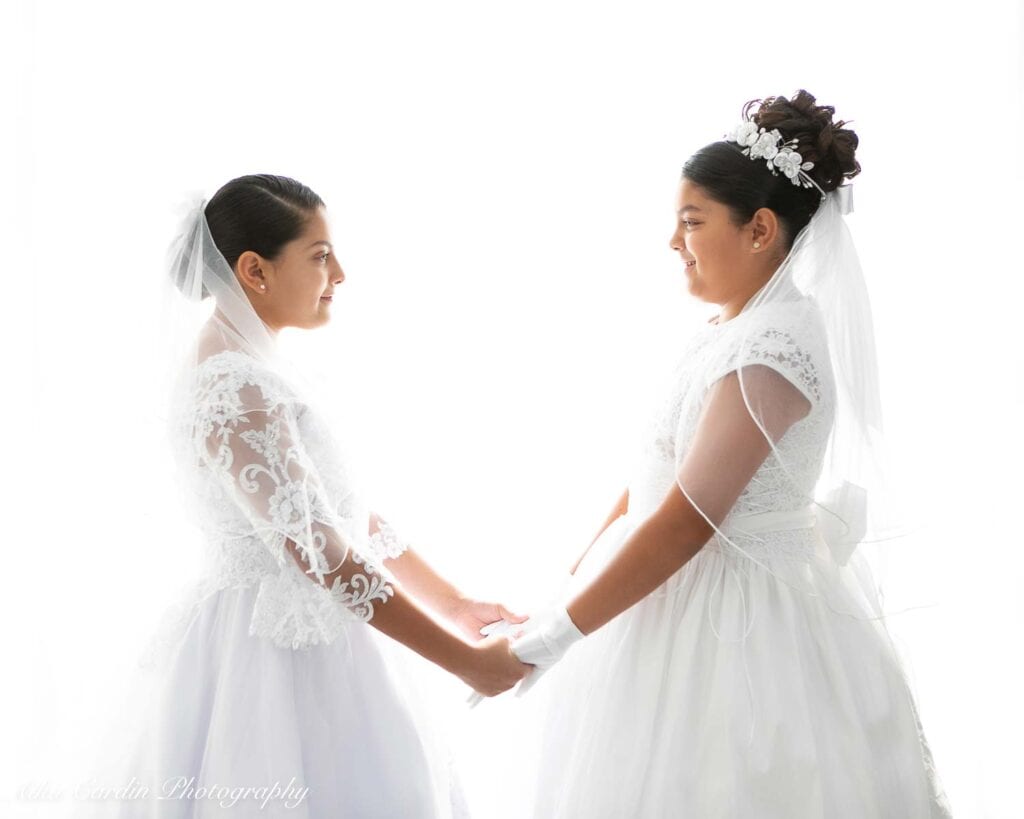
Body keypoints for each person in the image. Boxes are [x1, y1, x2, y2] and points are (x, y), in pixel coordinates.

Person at [510, 91, 953, 817]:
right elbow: (650, 481)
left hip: (732, 628)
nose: (673, 241)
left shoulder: (773, 347)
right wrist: (569, 587)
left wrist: (555, 639)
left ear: (760, 230)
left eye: (691, 222)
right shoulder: (731, 328)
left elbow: (688, 519)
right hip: (662, 598)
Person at [84, 174, 528, 818]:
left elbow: (345, 512)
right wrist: (465, 662)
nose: (340, 273)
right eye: (320, 255)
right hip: (268, 663)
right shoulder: (234, 383)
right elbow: (320, 550)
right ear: (255, 271)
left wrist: (452, 603)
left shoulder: (259, 365)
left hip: (319, 635)